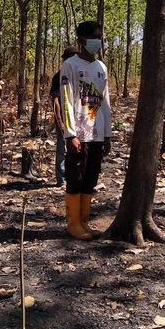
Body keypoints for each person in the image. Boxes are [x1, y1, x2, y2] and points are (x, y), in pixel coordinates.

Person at [60, 21, 112, 240]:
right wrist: (70, 134)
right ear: (81, 40)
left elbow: (106, 101)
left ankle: (84, 221)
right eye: (93, 37)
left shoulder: (101, 67)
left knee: (91, 176)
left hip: (97, 132)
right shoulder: (70, 65)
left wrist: (107, 133)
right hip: (78, 134)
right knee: (76, 176)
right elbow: (66, 100)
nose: (97, 42)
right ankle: (73, 224)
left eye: (99, 37)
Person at [49, 46, 78, 187]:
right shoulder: (58, 77)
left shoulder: (80, 75)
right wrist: (59, 120)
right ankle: (61, 180)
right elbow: (55, 100)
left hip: (79, 119)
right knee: (62, 150)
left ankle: (75, 177)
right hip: (65, 119)